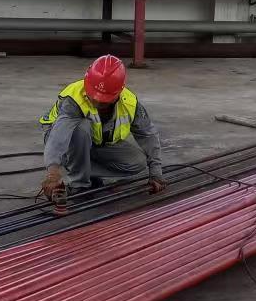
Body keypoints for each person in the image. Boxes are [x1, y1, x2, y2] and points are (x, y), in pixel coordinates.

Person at [38, 55, 165, 199]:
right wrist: (53, 173)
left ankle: (83, 171)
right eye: (93, 95)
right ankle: (79, 185)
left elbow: (148, 135)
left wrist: (156, 173)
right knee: (81, 128)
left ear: (119, 92)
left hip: (96, 141)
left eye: (103, 100)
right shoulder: (73, 99)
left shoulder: (130, 102)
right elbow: (59, 137)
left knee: (137, 162)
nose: (96, 101)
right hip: (62, 138)